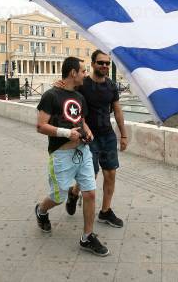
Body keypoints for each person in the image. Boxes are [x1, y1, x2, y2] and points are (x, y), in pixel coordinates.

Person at [35, 56, 109, 256]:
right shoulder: (51, 96)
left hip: (82, 151)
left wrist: (88, 131)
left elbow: (81, 120)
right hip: (61, 155)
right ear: (73, 73)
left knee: (90, 193)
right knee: (59, 196)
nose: (85, 74)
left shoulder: (79, 97)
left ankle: (87, 237)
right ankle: (41, 210)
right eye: (83, 71)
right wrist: (67, 133)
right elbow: (41, 126)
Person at [59, 50, 128, 228]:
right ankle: (74, 193)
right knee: (91, 174)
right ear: (93, 64)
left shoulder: (111, 86)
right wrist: (58, 85)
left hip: (108, 135)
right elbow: (66, 92)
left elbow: (118, 111)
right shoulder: (83, 84)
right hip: (89, 137)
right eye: (101, 63)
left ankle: (105, 212)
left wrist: (123, 134)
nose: (104, 66)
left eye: (107, 63)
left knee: (111, 173)